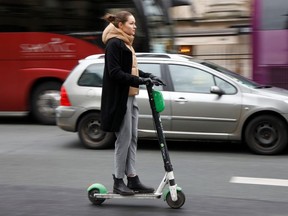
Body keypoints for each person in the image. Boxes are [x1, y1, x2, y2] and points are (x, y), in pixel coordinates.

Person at [100, 11, 164, 196]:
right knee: (124, 140)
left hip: (131, 96)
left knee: (133, 139)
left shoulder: (125, 43)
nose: (135, 26)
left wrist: (147, 76)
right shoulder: (114, 44)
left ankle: (132, 178)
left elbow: (130, 69)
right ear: (120, 25)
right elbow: (115, 73)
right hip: (119, 99)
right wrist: (140, 81)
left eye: (135, 23)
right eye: (131, 23)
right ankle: (118, 181)